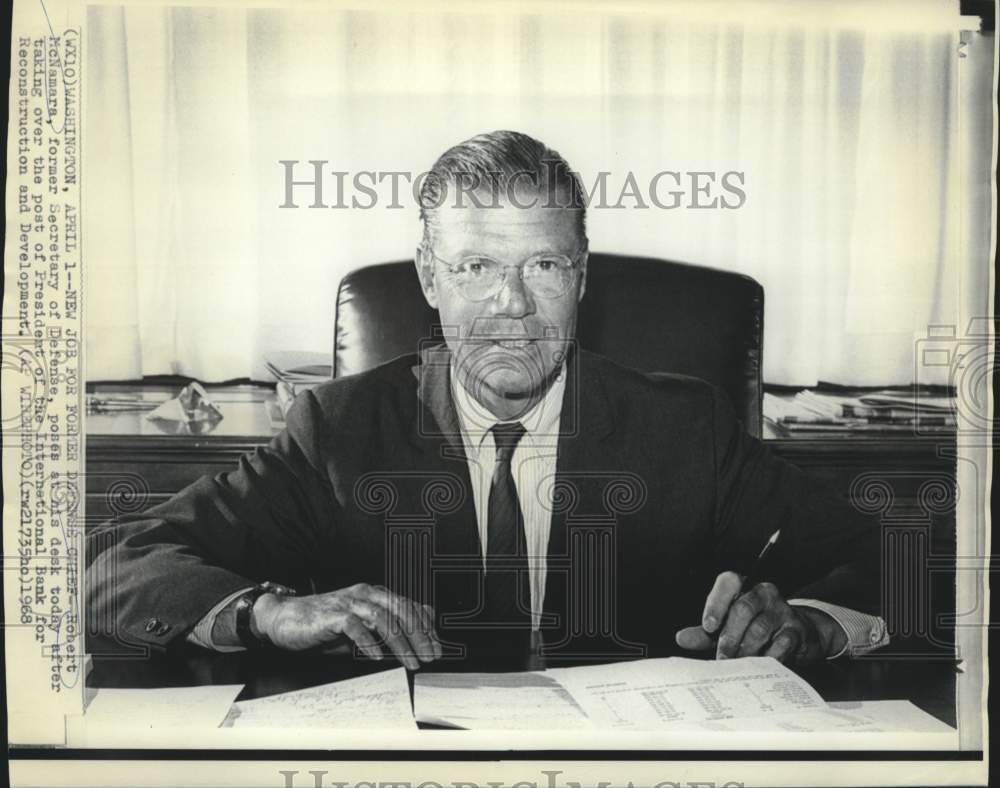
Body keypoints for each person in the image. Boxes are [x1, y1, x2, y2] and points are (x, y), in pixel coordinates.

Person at [86, 130, 888, 670]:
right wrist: (268, 613)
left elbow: (879, 558)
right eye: (475, 269)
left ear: (580, 278)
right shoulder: (338, 432)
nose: (512, 306)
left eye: (542, 266)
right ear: (429, 279)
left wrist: (810, 624)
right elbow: (118, 568)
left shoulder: (684, 428)